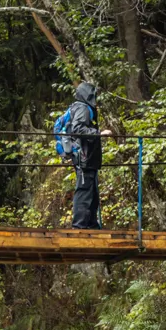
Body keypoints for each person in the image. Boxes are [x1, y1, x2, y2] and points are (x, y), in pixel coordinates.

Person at [59, 81, 107, 228]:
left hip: (87, 157)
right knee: (85, 191)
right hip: (84, 157)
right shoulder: (83, 108)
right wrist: (99, 133)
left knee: (91, 192)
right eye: (94, 95)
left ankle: (91, 225)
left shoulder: (79, 107)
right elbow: (78, 129)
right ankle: (79, 227)